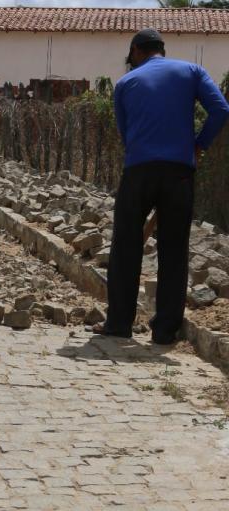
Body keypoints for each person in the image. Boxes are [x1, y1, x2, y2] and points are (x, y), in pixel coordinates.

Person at [95, 28, 229, 344]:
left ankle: (118, 324)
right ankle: (165, 331)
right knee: (174, 249)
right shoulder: (191, 71)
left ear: (137, 52)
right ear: (161, 50)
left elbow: (125, 134)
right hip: (179, 172)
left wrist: (145, 151)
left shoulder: (126, 83)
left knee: (125, 245)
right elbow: (221, 109)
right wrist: (199, 144)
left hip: (139, 170)